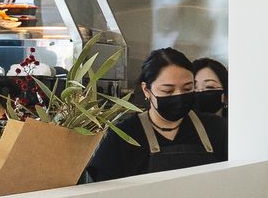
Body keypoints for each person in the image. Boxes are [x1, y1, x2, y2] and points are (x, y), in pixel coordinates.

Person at [85, 47, 227, 181]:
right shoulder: (124, 136)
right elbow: (106, 196)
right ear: (146, 90)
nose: (179, 96)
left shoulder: (216, 128)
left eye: (187, 88)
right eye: (168, 91)